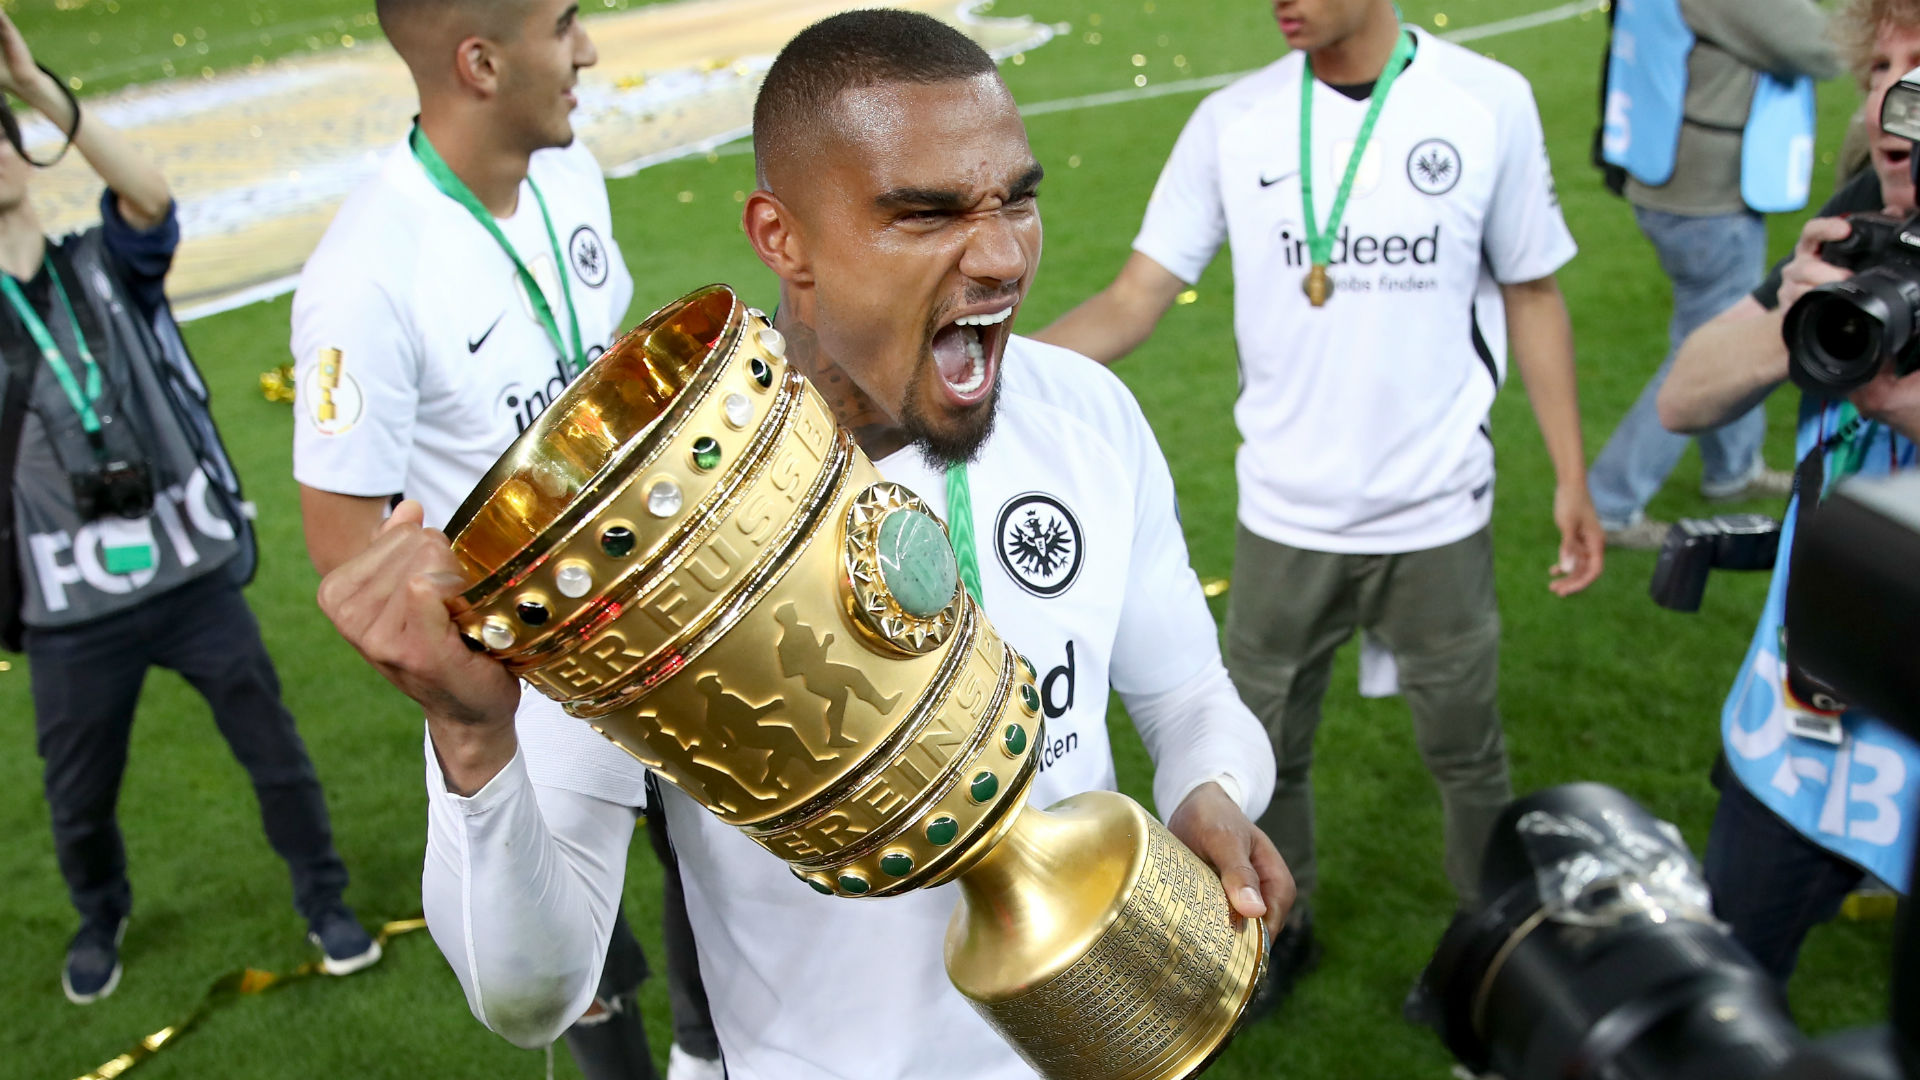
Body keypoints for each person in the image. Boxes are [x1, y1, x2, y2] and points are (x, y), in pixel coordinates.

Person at [313, 10, 1289, 1080]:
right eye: (926, 213)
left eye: (1018, 196)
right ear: (782, 238)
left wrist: (1213, 791)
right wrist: (471, 743)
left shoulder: (1085, 414)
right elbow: (533, 996)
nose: (1005, 253)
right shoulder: (633, 544)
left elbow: (1189, 699)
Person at [1036, 0, 1604, 1008]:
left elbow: (1533, 291)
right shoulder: (1234, 121)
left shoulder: (1486, 103)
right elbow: (1134, 298)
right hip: (1282, 521)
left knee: (1467, 753)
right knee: (1260, 758)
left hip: (1438, 516)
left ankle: (1497, 959)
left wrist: (1572, 475)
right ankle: (1275, 938)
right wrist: (997, 375)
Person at [288, 1, 713, 1076]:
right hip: (537, 687)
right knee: (567, 972)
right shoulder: (364, 274)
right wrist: (481, 701)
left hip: (665, 618)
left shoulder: (571, 175)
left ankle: (713, 1052)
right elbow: (349, 560)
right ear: (480, 62)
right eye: (565, 23)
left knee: (721, 881)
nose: (590, 49)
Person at [0, 12, 379, 1004]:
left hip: (188, 576)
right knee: (76, 801)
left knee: (275, 751)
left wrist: (38, 90)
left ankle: (324, 896)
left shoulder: (101, 264)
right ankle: (100, 913)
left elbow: (151, 195)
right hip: (68, 616)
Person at [1657, 0, 1920, 979]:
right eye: (1878, 68)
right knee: (1723, 993)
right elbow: (1684, 396)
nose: (1894, 96)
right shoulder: (1856, 230)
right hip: (1802, 736)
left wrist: (1894, 399)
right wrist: (1797, 316)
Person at [1586, 0, 1839, 550]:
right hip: (1707, 197)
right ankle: (1610, 502)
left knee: (1718, 328)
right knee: (1706, 350)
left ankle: (1733, 467)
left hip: (1669, 178)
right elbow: (1824, 47)